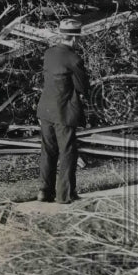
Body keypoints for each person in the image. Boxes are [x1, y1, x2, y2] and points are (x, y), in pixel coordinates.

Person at [36, 18, 90, 204]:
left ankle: (44, 192)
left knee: (48, 151)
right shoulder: (74, 59)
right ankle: (65, 195)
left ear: (61, 35)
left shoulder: (49, 53)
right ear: (75, 39)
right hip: (64, 112)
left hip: (45, 109)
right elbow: (83, 87)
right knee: (67, 152)